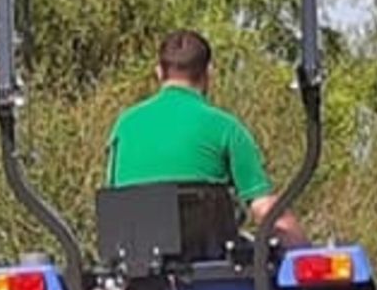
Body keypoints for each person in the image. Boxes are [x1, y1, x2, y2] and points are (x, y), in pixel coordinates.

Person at [106, 29, 308, 248]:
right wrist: (305, 251)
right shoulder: (226, 128)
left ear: (159, 72)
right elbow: (265, 209)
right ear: (208, 73)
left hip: (136, 267)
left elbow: (115, 196)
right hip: (209, 262)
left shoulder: (124, 126)